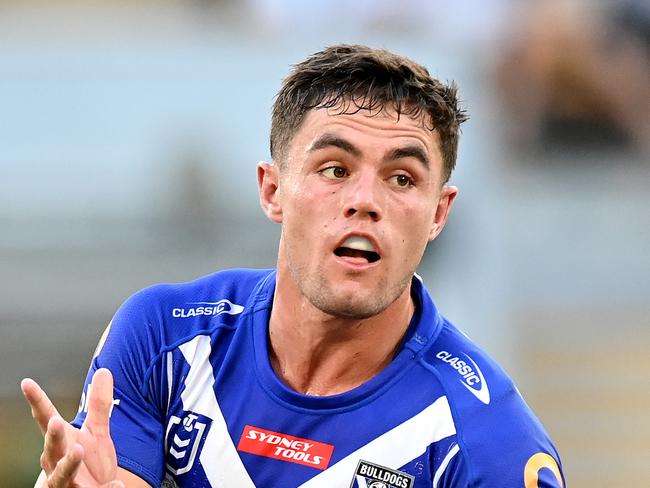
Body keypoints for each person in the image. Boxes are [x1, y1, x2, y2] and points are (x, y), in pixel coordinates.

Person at [21, 44, 565, 488]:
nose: (366, 201)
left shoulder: (487, 446)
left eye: (402, 178)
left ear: (438, 214)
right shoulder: (165, 336)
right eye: (335, 169)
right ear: (273, 189)